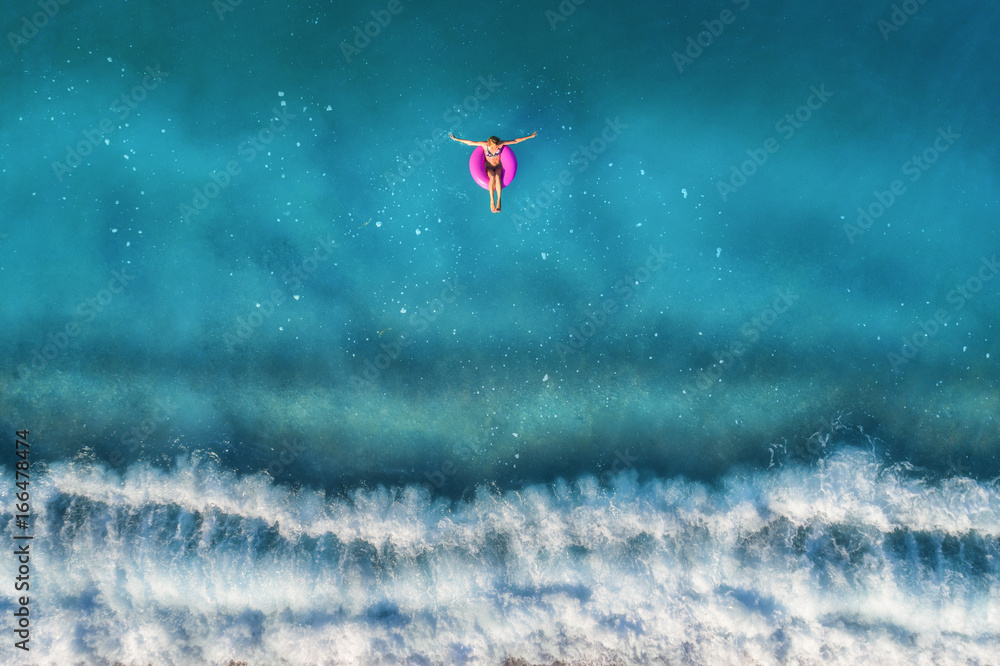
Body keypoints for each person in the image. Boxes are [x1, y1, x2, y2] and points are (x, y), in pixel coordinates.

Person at [450, 131, 537, 213]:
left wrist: (530, 136)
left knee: (498, 176)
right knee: (492, 177)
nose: (495, 148)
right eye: (493, 147)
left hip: (498, 167)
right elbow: (470, 142)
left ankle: (499, 200)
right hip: (489, 168)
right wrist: (456, 139)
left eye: (496, 146)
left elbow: (515, 141)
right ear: (489, 144)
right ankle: (492, 200)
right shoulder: (484, 145)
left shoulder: (500, 144)